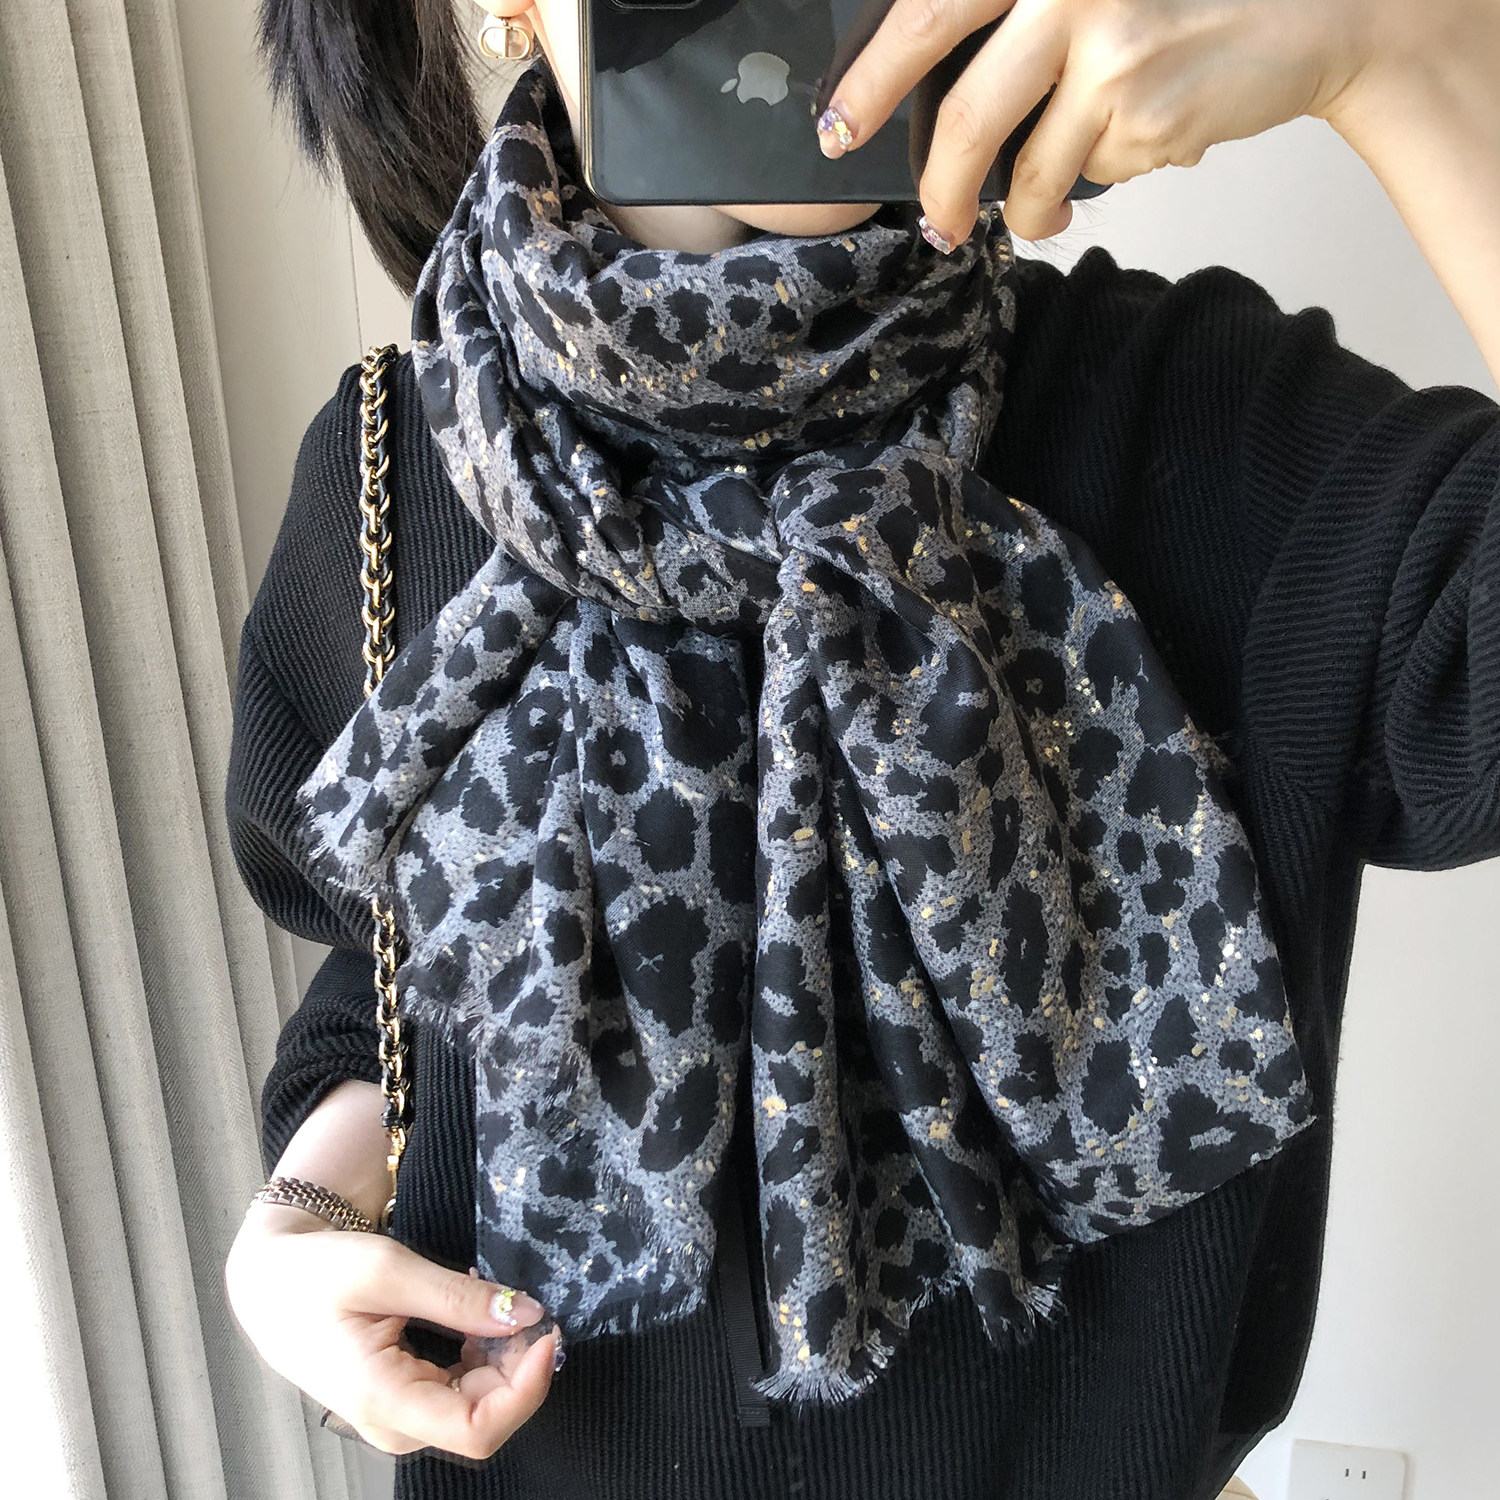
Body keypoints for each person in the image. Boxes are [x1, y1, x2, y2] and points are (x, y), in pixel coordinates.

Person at [222, 1, 1500, 1497]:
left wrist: (1409, 53)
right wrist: (298, 1223)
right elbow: (397, 977)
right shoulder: (389, 468)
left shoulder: (1208, 426)